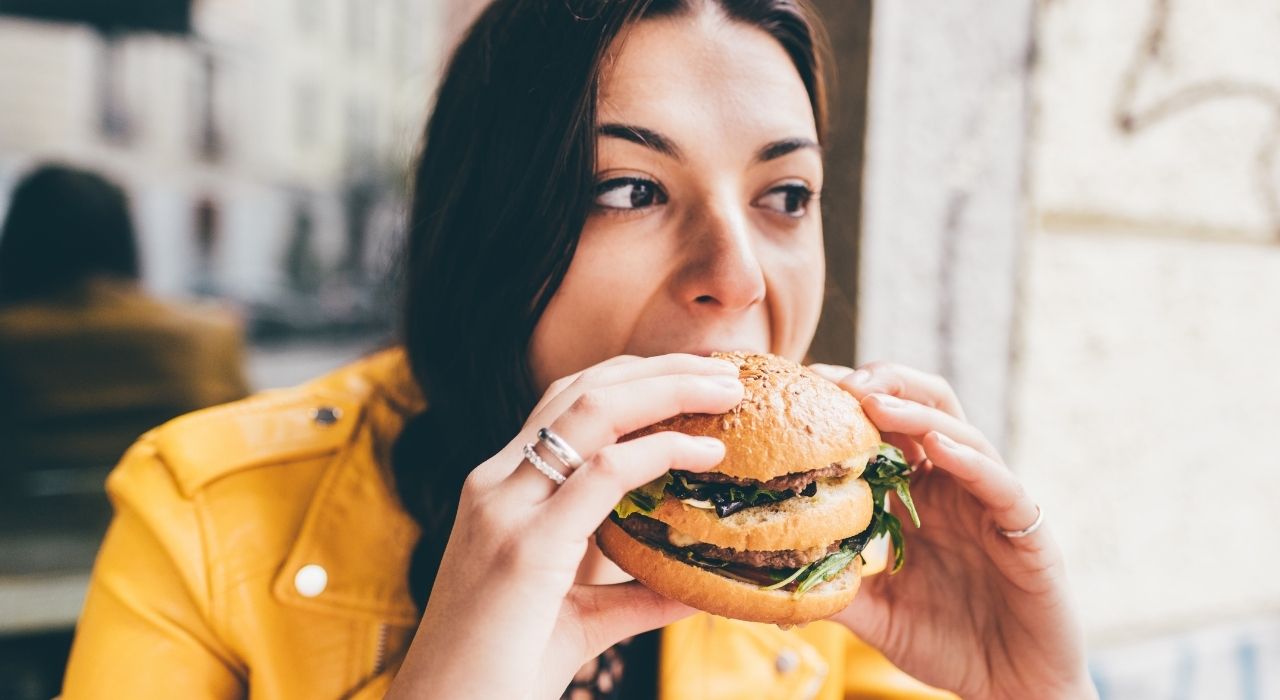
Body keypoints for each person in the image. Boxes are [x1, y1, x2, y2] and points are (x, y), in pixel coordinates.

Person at [62, 2, 1097, 698]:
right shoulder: (202, 509)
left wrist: (1031, 693)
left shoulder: (834, 574)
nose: (737, 275)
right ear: (490, 224)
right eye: (630, 189)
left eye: (785, 195)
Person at [0, 164, 249, 489]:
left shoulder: (13, 339)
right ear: (125, 236)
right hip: (171, 517)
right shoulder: (210, 335)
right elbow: (242, 448)